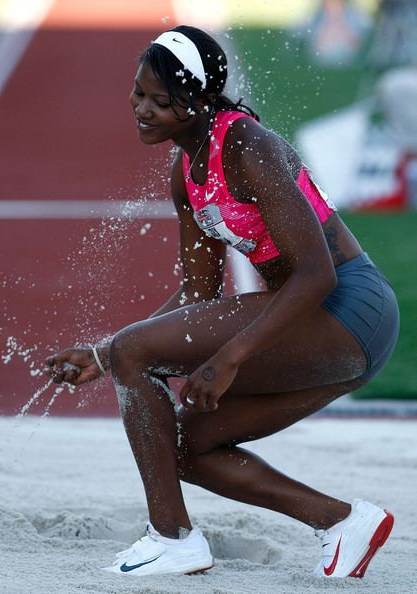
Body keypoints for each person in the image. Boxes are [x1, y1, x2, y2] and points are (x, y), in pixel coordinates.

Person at [45, 25, 399, 578]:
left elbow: (316, 275)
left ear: (199, 102)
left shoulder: (247, 147)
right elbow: (198, 294)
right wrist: (103, 351)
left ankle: (172, 539)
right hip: (309, 318)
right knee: (183, 447)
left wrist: (229, 356)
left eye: (161, 101)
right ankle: (342, 522)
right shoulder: (186, 171)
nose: (142, 109)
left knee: (135, 354)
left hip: (349, 312)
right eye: (139, 94)